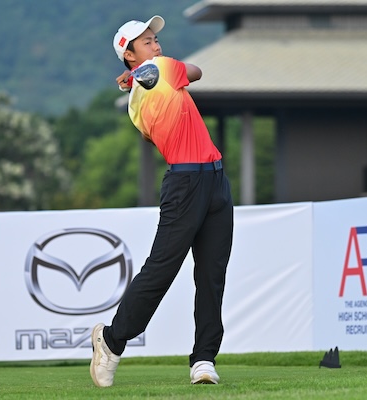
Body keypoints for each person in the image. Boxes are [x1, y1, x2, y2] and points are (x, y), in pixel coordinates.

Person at [90, 15, 234, 387]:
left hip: (214, 179)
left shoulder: (136, 99)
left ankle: (204, 359)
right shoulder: (161, 68)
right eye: (147, 41)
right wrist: (150, 71)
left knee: (211, 275)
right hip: (187, 183)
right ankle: (111, 341)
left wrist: (135, 78)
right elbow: (197, 71)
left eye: (155, 39)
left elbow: (149, 134)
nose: (155, 44)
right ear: (129, 55)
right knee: (162, 269)